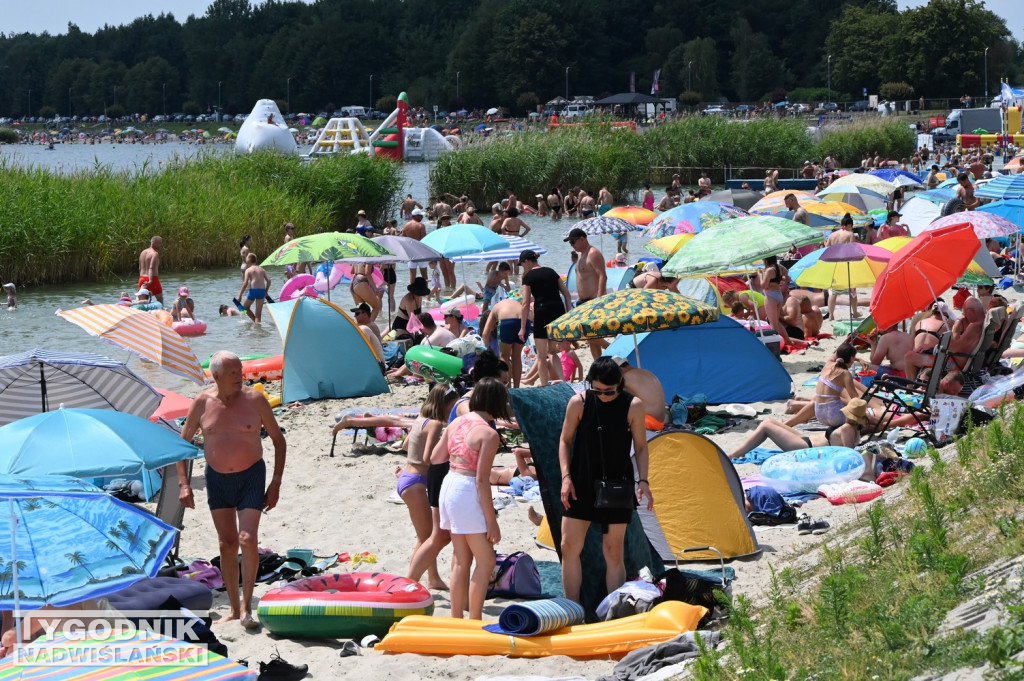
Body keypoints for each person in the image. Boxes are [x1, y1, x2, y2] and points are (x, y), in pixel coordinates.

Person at [177, 351, 286, 629]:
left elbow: (278, 440)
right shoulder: (202, 403)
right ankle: (234, 608)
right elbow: (182, 445)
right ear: (216, 376)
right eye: (234, 372)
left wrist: (275, 482)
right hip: (217, 479)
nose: (241, 376)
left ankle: (248, 607)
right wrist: (184, 484)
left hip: (251, 476)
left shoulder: (255, 399)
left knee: (248, 539)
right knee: (227, 543)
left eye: (241, 370)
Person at [558, 357, 653, 604]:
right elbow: (565, 440)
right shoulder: (578, 403)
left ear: (620, 383)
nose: (603, 395)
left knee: (613, 552)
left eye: (609, 391)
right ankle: (574, 610)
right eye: (597, 390)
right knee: (568, 546)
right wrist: (566, 477)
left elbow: (641, 447)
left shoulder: (633, 406)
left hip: (617, 484)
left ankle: (612, 612)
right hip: (580, 481)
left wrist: (643, 481)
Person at [435, 378, 513, 619]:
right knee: (486, 560)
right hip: (467, 489)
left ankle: (456, 617)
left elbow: (436, 457)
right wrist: (492, 521)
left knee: (460, 559)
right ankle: (475, 618)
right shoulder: (488, 433)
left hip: (449, 482)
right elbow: (481, 480)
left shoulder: (457, 421)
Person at [519, 250, 572, 385]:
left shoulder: (528, 277)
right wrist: (568, 315)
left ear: (527, 261)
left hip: (542, 312)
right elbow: (567, 294)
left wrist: (522, 328)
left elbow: (525, 303)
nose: (523, 267)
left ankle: (543, 386)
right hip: (557, 311)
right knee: (552, 352)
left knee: (541, 356)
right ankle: (563, 381)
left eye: (522, 264)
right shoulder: (551, 271)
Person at [726, 407, 863, 459]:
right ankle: (741, 451)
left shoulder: (846, 428)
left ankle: (735, 453)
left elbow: (850, 452)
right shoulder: (854, 428)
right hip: (807, 439)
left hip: (807, 448)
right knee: (768, 420)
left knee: (765, 427)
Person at [566, 228, 608, 358]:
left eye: (573, 242)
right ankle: (597, 364)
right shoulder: (579, 255)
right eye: (570, 243)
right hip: (583, 301)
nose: (572, 245)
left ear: (582, 239)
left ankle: (614, 349)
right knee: (591, 338)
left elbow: (603, 276)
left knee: (590, 335)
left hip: (594, 300)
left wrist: (599, 299)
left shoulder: (593, 253)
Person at [612, 356, 668, 431]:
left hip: (648, 422)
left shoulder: (626, 376)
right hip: (660, 422)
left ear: (619, 370)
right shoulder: (645, 372)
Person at [482, 298, 528, 388]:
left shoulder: (495, 308)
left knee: (504, 356)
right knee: (517, 356)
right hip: (525, 321)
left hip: (507, 320)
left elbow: (485, 333)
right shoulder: (513, 303)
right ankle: (517, 388)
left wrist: (487, 350)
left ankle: (507, 387)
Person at [760, 255, 791, 345]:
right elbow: (788, 278)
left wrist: (761, 275)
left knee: (773, 324)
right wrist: (779, 278)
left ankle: (775, 346)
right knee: (775, 322)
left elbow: (763, 286)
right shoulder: (780, 267)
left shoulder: (769, 270)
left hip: (771, 296)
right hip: (778, 295)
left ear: (766, 260)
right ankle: (783, 341)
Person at [238, 254, 270, 322]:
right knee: (258, 315)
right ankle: (257, 325)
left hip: (253, 291)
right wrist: (266, 291)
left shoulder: (248, 270)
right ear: (256, 261)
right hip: (262, 291)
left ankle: (255, 322)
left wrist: (240, 296)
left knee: (245, 308)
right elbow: (269, 281)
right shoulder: (262, 269)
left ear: (248, 262)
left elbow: (245, 283)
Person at [401, 209, 429, 282]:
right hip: (420, 252)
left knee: (412, 275)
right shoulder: (421, 226)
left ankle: (412, 292)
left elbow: (403, 240)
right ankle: (425, 291)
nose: (422, 217)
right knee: (424, 275)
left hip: (411, 253)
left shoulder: (405, 226)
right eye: (420, 216)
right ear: (416, 216)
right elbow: (424, 240)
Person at [138, 236, 163, 304]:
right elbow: (151, 267)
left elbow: (140, 268)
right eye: (160, 243)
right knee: (160, 300)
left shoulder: (142, 252)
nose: (161, 244)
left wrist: (143, 279)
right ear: (155, 243)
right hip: (152, 278)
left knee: (141, 300)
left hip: (142, 278)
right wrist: (150, 280)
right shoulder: (155, 253)